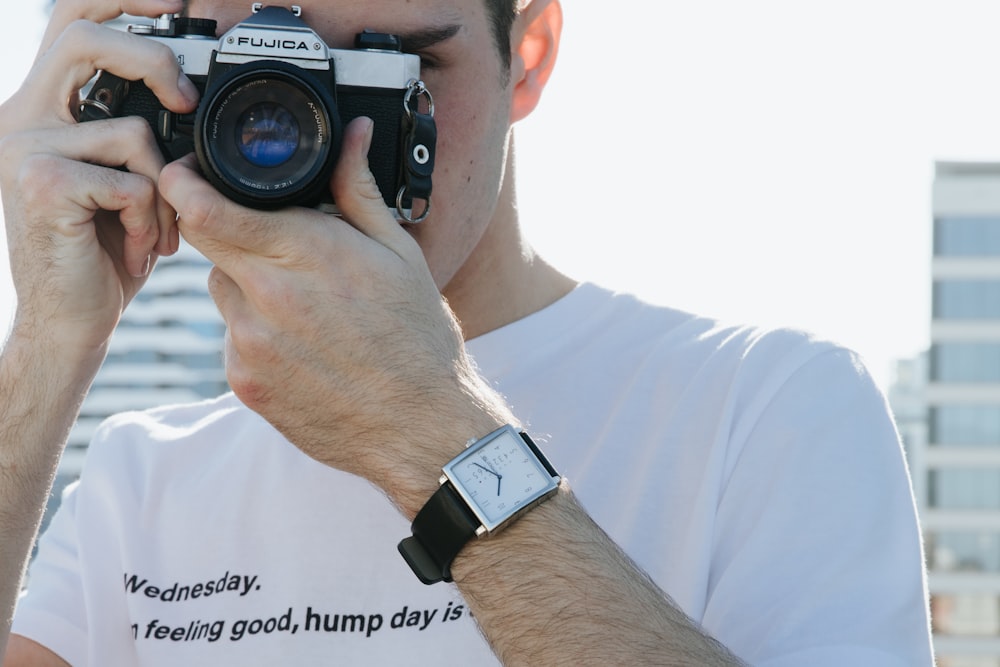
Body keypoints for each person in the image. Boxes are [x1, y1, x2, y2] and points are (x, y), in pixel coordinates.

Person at [0, 0, 934, 664]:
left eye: (395, 69)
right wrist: (46, 341)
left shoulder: (771, 407)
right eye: (250, 83)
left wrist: (430, 430)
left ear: (529, 54)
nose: (307, 142)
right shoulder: (140, 481)